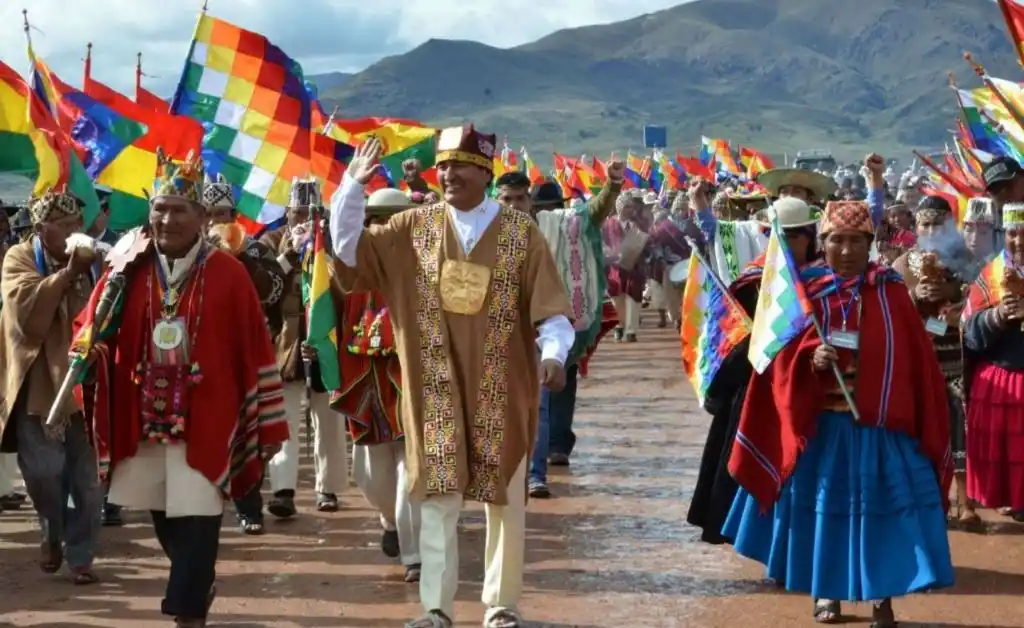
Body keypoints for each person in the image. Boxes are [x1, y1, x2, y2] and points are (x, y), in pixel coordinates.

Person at [329, 126, 574, 628]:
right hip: (432, 388)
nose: (447, 174)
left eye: (459, 165)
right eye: (442, 166)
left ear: (484, 172)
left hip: (503, 390)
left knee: (505, 499)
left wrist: (554, 353)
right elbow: (349, 253)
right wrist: (351, 187)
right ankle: (435, 608)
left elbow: (551, 309)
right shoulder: (408, 228)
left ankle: (501, 605)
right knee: (437, 497)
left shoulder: (519, 232)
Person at [81, 151, 289, 627]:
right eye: (160, 208)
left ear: (201, 217)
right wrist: (89, 348)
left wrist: (257, 408)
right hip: (142, 409)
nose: (167, 219)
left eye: (179, 210)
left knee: (197, 508)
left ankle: (187, 610)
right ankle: (195, 581)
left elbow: (254, 342)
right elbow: (92, 325)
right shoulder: (126, 265)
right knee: (161, 508)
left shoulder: (229, 273)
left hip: (210, 412)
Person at [723, 200, 954, 626]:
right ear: (821, 243)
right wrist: (809, 358)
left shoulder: (890, 291)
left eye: (855, 241)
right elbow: (776, 356)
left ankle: (882, 598)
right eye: (837, 241)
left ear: (870, 244)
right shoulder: (802, 293)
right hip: (823, 429)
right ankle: (826, 594)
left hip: (879, 429)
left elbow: (914, 360)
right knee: (824, 518)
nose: (846, 250)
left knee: (883, 517)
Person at [687, 195, 822, 545]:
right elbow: (733, 337)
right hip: (757, 387)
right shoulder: (753, 282)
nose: (785, 244)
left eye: (794, 236)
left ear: (810, 236)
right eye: (777, 235)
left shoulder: (828, 280)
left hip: (812, 389)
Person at [497, 165, 623, 494]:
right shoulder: (482, 234)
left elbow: (593, 213)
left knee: (543, 399)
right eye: (506, 199)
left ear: (531, 203)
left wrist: (613, 185)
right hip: (494, 334)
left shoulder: (558, 227)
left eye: (520, 199)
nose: (514, 206)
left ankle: (537, 472)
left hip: (548, 328)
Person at [0, 188, 100, 583]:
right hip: (38, 382)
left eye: (77, 223)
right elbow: (23, 311)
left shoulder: (96, 261)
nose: (73, 231)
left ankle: (81, 556)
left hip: (85, 382)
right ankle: (51, 530)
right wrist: (69, 274)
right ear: (42, 229)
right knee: (43, 471)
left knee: (88, 481)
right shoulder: (18, 257)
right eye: (63, 225)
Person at [332, 187, 422, 582]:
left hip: (410, 380)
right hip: (363, 379)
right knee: (371, 475)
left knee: (410, 465)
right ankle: (389, 520)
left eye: (391, 219)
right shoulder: (350, 267)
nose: (383, 227)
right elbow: (326, 316)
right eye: (375, 219)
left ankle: (415, 555)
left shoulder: (426, 265)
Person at [204, 173, 289, 535]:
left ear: (234, 214)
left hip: (245, 355)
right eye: (206, 214)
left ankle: (249, 507)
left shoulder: (254, 248)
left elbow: (274, 294)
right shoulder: (186, 253)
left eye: (220, 214)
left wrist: (243, 261)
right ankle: (201, 509)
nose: (213, 222)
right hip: (199, 356)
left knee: (247, 430)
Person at [892, 196, 982, 524]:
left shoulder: (967, 263)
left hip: (957, 359)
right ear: (915, 227)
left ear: (950, 226)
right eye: (925, 224)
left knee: (962, 428)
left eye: (938, 224)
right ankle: (934, 499)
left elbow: (977, 308)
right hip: (918, 361)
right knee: (923, 429)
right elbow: (891, 314)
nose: (931, 230)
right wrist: (916, 298)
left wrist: (949, 304)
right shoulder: (901, 265)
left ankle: (966, 500)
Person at [261, 177, 348, 516]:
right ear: (287, 212)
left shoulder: (332, 244)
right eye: (298, 213)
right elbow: (264, 285)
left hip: (324, 340)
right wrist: (290, 254)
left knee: (328, 420)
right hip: (284, 343)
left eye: (311, 214)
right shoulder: (269, 242)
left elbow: (344, 287)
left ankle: (328, 488)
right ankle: (283, 489)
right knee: (284, 420)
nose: (303, 221)